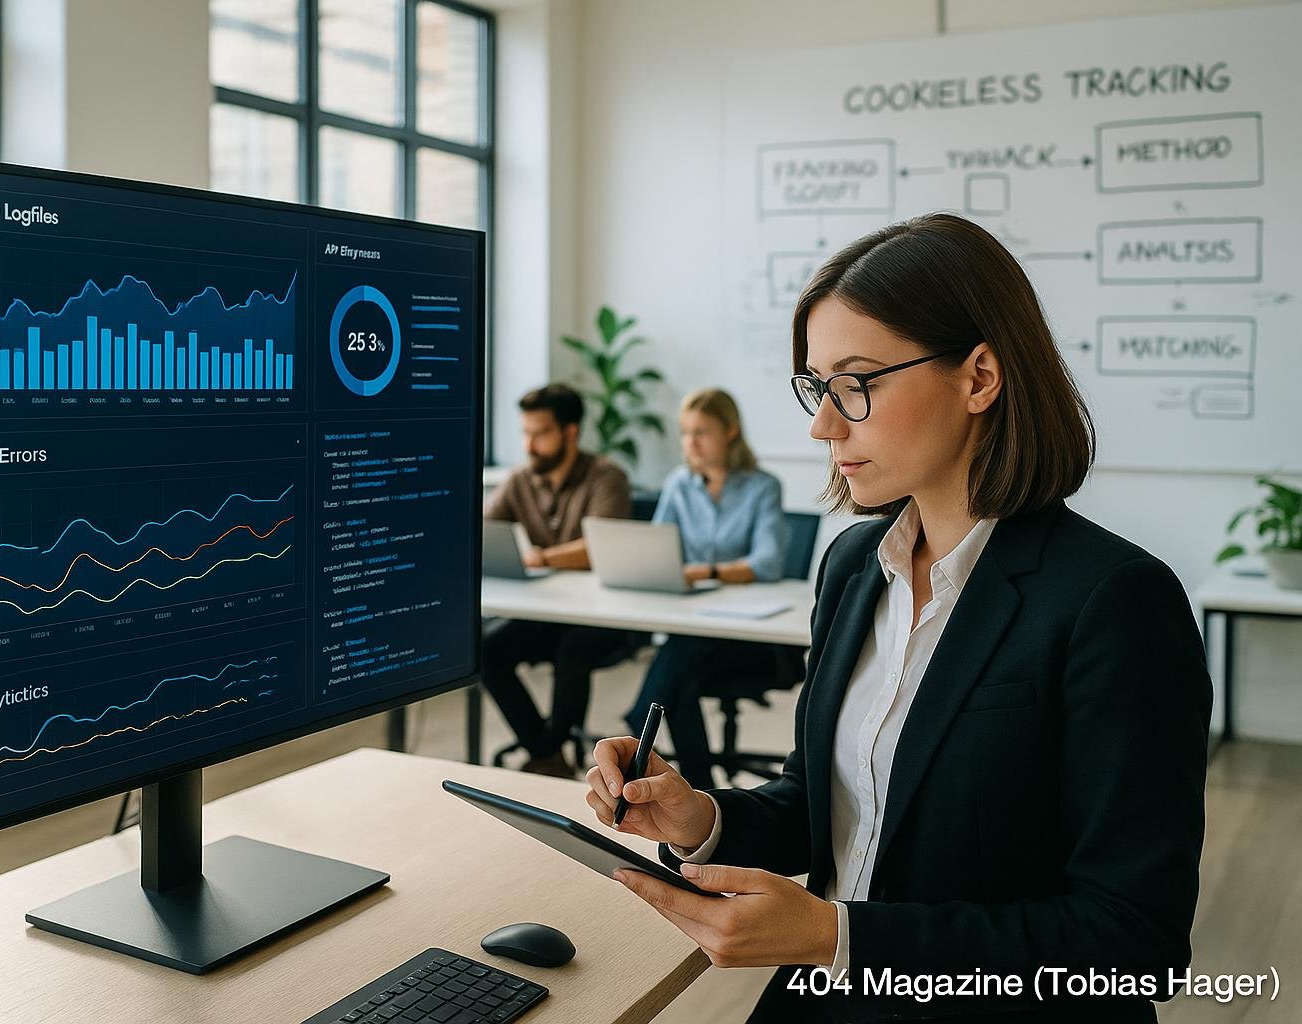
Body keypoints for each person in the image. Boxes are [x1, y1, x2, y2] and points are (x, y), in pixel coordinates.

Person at [585, 214, 1211, 1022]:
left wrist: (840, 938)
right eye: (818, 385)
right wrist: (699, 817)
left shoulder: (1114, 601)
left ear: (979, 377)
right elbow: (827, 809)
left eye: (858, 383)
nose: (823, 424)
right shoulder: (854, 566)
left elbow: (1132, 943)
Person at [622, 387, 788, 790]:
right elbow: (658, 547)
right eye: (685, 432)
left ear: (730, 431)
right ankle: (703, 789)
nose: (689, 443)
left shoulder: (762, 486)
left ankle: (641, 728)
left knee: (674, 671)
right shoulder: (680, 484)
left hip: (746, 635)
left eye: (701, 432)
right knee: (680, 678)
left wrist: (704, 572)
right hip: (692, 622)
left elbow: (767, 563)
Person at [482, 384, 635, 778]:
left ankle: (548, 751)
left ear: (570, 433)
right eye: (525, 433)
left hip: (604, 619)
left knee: (573, 651)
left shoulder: (607, 477)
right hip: (547, 611)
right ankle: (547, 752)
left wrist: (541, 557)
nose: (529, 445)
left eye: (540, 433)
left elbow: (601, 544)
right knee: (485, 649)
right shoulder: (520, 480)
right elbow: (481, 531)